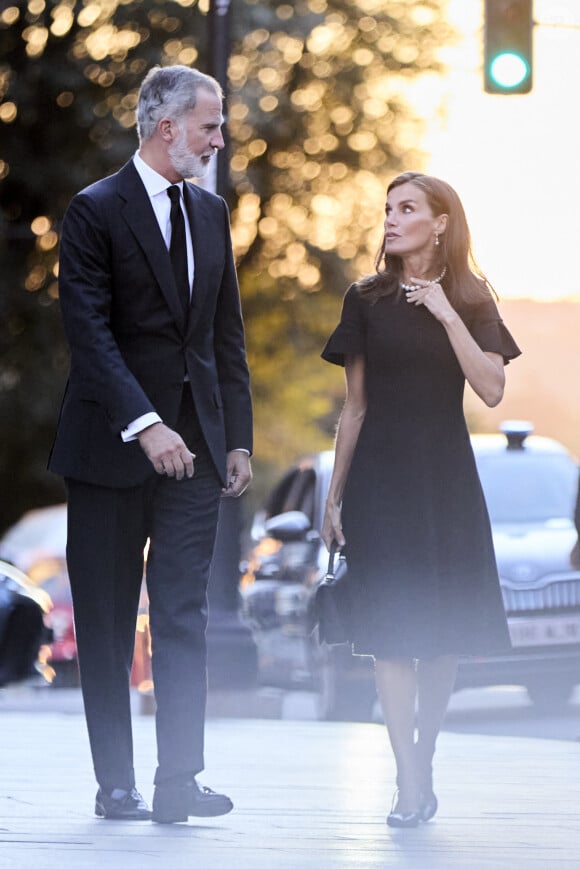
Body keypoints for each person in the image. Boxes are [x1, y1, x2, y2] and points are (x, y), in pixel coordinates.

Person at [49, 65, 253, 824]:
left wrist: (237, 438)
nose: (218, 137)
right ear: (166, 127)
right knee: (105, 621)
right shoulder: (93, 210)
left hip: (199, 450)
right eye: (210, 123)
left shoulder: (212, 212)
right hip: (109, 450)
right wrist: (146, 423)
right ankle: (117, 784)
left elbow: (224, 336)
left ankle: (179, 779)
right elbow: (90, 335)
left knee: (183, 613)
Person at [321, 172, 520, 828]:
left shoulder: (470, 296)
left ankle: (424, 752)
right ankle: (407, 778)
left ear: (440, 222)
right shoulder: (365, 299)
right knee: (391, 638)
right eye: (388, 208)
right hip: (379, 483)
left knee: (442, 639)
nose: (391, 218)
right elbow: (354, 409)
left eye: (407, 208)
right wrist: (334, 499)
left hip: (446, 484)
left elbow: (490, 388)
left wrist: (441, 309)